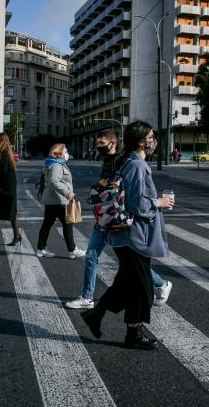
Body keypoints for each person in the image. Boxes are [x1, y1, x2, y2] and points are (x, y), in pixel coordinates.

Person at [81, 121, 174, 350]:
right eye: (151, 137)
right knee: (142, 287)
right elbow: (136, 203)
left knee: (125, 283)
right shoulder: (136, 165)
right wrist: (158, 202)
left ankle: (97, 314)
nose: (154, 141)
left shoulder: (129, 162)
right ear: (141, 141)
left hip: (127, 235)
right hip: (133, 235)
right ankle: (133, 333)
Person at [65, 130, 173, 309]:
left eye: (101, 143)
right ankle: (87, 297)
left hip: (118, 217)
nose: (98, 147)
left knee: (130, 263)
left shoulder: (122, 161)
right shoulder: (107, 159)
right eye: (98, 143)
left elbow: (131, 188)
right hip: (106, 216)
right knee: (93, 256)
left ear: (113, 143)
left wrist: (154, 202)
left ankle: (160, 284)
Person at [36, 143, 86, 259]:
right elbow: (54, 181)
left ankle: (41, 249)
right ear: (59, 153)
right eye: (65, 151)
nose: (67, 153)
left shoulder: (51, 163)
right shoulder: (56, 165)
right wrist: (67, 193)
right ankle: (72, 250)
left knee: (47, 224)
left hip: (52, 200)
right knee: (68, 224)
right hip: (59, 200)